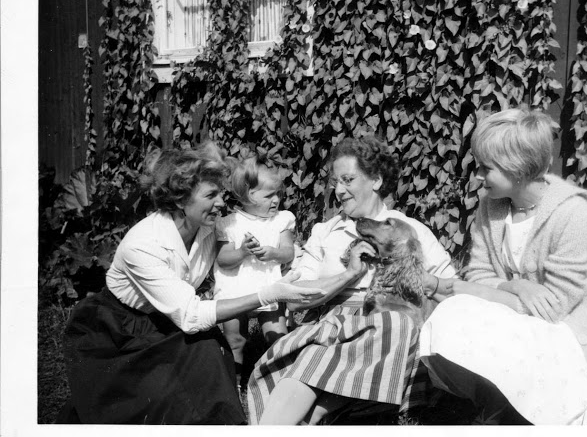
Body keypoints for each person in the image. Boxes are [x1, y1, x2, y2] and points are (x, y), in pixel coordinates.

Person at [418, 108, 587, 424]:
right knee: (453, 311)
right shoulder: (491, 207)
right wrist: (516, 285)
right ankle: (498, 407)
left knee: (480, 318)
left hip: (568, 328)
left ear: (516, 169)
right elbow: (478, 273)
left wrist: (495, 295)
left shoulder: (572, 211)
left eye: (486, 168)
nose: (477, 175)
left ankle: (510, 414)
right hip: (517, 317)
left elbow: (554, 304)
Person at [57, 141, 325, 425]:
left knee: (209, 356)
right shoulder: (143, 244)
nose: (221, 203)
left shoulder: (208, 228)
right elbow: (191, 315)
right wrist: (267, 295)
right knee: (143, 404)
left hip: (167, 320)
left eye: (220, 193)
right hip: (119, 328)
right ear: (180, 201)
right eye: (210, 195)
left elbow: (261, 248)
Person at [247, 135, 458, 425]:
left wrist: (411, 281)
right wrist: (348, 275)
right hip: (335, 328)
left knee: (391, 325)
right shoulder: (326, 232)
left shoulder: (409, 230)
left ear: (376, 180)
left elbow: (451, 292)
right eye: (335, 182)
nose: (339, 190)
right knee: (317, 356)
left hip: (389, 333)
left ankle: (304, 418)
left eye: (348, 180)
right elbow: (293, 298)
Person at [214, 152, 295, 385]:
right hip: (235, 289)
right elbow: (223, 259)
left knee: (277, 337)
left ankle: (281, 382)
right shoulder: (229, 224)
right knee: (235, 340)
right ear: (248, 195)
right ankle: (235, 384)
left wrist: (273, 253)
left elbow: (288, 252)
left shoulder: (281, 220)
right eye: (269, 195)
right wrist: (242, 252)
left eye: (278, 194)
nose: (276, 200)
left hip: (268, 286)